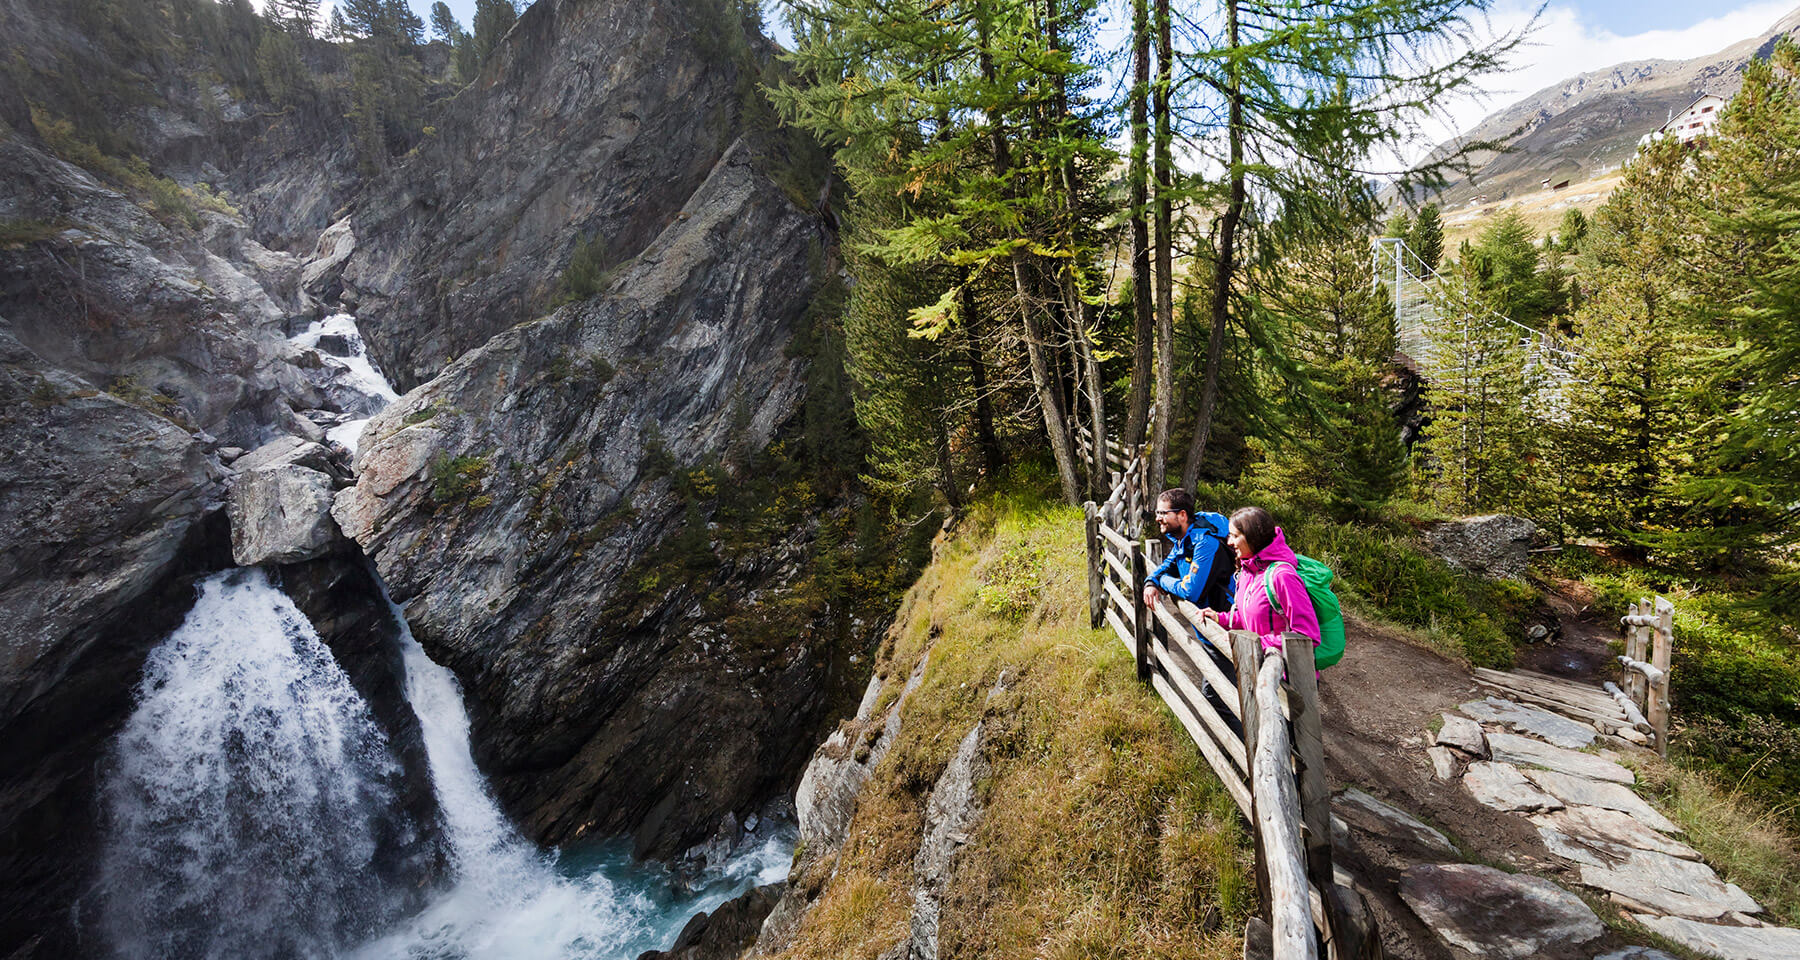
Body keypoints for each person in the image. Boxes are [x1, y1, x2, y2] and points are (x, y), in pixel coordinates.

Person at [1200, 505, 1319, 653]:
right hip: (1257, 669)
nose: (1229, 542)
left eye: (1235, 536)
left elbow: (1306, 635)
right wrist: (1220, 618)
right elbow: (1250, 617)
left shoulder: (1282, 576)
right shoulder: (1247, 571)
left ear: (1253, 537)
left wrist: (1255, 643)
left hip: (1285, 673)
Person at [1140, 488, 1235, 613]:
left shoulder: (1204, 543)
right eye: (1157, 513)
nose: (1158, 518)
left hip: (1224, 620)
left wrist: (1163, 581)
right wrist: (1151, 582)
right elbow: (1168, 565)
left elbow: (1191, 592)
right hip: (1205, 615)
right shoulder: (1185, 539)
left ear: (1182, 515)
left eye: (1163, 513)